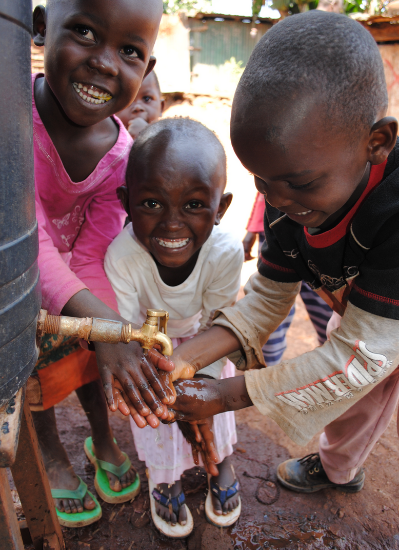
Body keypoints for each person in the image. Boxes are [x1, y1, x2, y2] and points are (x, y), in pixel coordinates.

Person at [153, 12, 399, 496]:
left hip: (383, 323)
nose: (279, 202)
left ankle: (338, 468)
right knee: (347, 373)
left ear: (376, 143)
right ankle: (337, 464)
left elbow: (364, 356)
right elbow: (266, 299)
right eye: (262, 182)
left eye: (299, 184)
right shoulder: (289, 197)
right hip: (361, 312)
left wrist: (228, 394)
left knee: (361, 381)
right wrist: (187, 356)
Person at [29, 0, 174, 528]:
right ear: (41, 28)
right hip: (15, 276)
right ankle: (50, 450)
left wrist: (108, 332)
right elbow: (30, 242)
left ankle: (103, 436)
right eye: (86, 33)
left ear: (148, 70)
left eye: (130, 51)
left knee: (94, 357)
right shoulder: (9, 115)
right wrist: (106, 326)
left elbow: (93, 254)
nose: (105, 63)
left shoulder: (121, 158)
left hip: (74, 284)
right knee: (33, 365)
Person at [105, 118, 243, 537]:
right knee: (155, 410)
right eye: (152, 204)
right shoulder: (123, 256)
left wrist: (201, 383)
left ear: (221, 208)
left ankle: (223, 463)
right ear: (126, 201)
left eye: (195, 205)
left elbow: (219, 326)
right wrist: (160, 378)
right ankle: (163, 478)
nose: (172, 223)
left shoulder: (225, 252)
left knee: (213, 404)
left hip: (205, 343)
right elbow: (128, 335)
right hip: (148, 347)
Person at [243, 192, 332, 365]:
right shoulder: (274, 214)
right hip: (274, 235)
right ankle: (266, 371)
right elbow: (264, 192)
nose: (278, 197)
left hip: (321, 238)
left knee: (327, 316)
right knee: (270, 316)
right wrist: (252, 228)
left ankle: (335, 366)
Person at [116, 71, 164, 139]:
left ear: (161, 107)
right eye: (127, 101)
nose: (138, 107)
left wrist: (146, 136)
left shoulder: (168, 140)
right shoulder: (105, 144)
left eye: (147, 99)